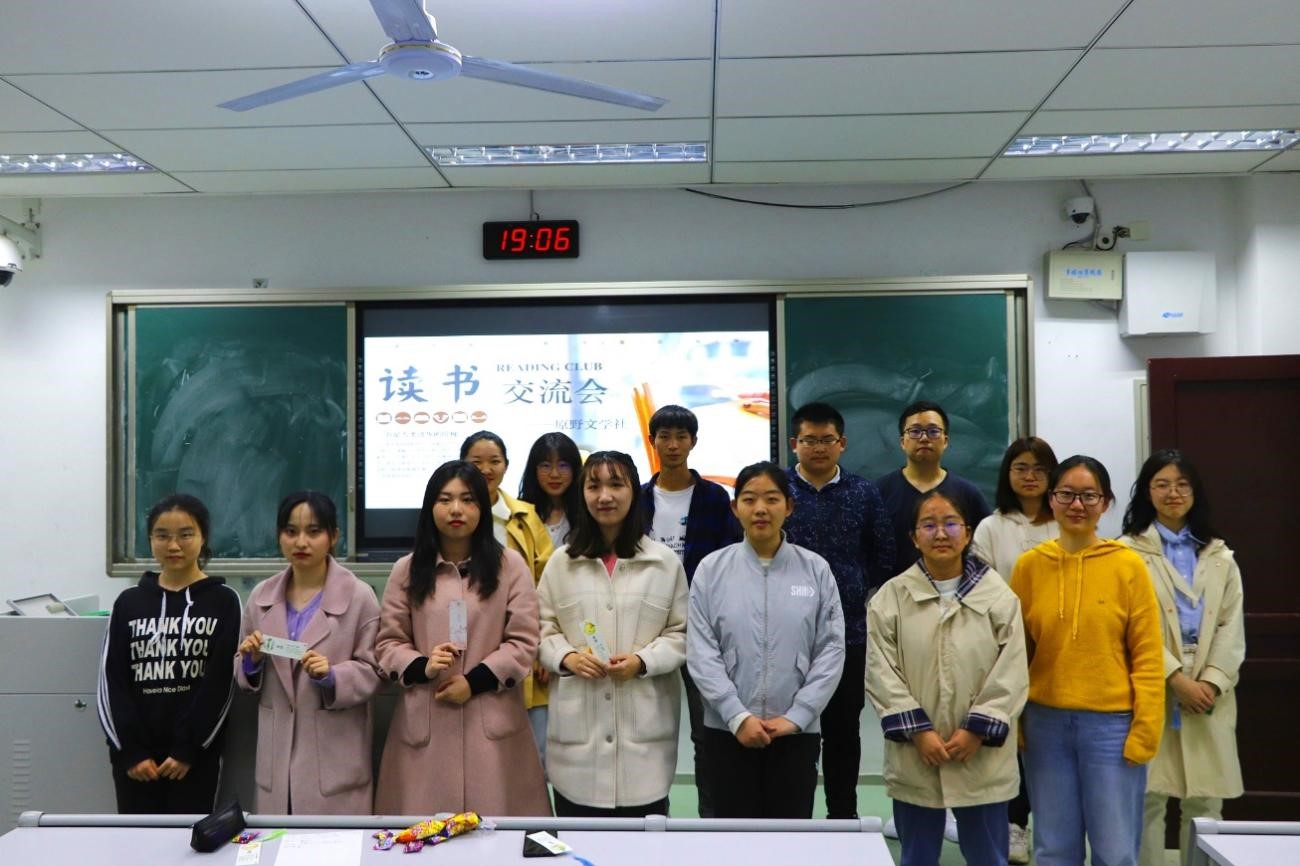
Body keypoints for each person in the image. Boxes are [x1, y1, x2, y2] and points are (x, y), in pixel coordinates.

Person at [1009, 455, 1165, 866]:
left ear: (1105, 503)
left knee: (1115, 850)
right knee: (1053, 848)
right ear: (1052, 500)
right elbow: (1016, 653)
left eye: (1089, 496)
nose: (1077, 505)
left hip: (1111, 727)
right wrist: (1016, 721)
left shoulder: (1128, 566)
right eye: (1066, 494)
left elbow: (1148, 655)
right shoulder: (1029, 567)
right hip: (1045, 724)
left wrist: (1146, 727)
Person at [373, 461, 550, 816]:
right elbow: (388, 643)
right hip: (425, 723)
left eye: (468, 500)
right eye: (445, 499)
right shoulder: (407, 569)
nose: (456, 509)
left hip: (492, 724)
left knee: (498, 833)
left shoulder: (510, 566)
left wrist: (473, 682)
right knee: (422, 834)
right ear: (430, 507)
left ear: (482, 509)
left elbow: (523, 641)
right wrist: (423, 666)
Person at [867, 490, 1028, 866]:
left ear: (968, 533)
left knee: (988, 857)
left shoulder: (999, 597)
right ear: (914, 537)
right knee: (917, 857)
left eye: (951, 523)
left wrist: (976, 730)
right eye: (929, 525)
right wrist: (919, 732)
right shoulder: (891, 598)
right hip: (916, 753)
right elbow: (881, 671)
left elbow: (1012, 671)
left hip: (980, 755)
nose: (941, 533)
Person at [687, 461, 845, 818]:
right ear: (735, 508)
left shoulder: (816, 569)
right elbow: (701, 651)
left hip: (795, 731)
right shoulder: (711, 570)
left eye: (772, 499)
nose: (760, 509)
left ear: (789, 506)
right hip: (727, 729)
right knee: (732, 837)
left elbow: (831, 649)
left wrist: (799, 715)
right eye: (749, 499)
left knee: (789, 836)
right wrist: (736, 715)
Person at [537, 451, 688, 817]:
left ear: (634, 491)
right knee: (579, 842)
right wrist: (567, 658)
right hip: (578, 749)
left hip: (645, 748)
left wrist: (642, 661)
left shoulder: (664, 563)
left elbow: (681, 634)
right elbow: (541, 628)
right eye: (594, 486)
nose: (604, 496)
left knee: (645, 840)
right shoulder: (562, 563)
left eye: (616, 485)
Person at [1121, 450, 1245, 866]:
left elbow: (1231, 626)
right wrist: (1174, 677)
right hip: (1154, 683)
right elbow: (1128, 625)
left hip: (1209, 687)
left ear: (1195, 492)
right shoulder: (1128, 553)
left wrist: (1210, 681)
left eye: (1181, 484)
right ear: (1147, 492)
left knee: (1206, 798)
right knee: (1148, 795)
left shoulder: (1220, 556)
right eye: (1162, 484)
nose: (1172, 493)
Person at [236, 491, 383, 814]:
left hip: (334, 759)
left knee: (335, 842)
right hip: (276, 760)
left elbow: (375, 671)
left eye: (314, 532)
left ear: (334, 536)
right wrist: (250, 662)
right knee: (277, 840)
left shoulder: (359, 597)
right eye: (291, 531)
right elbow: (241, 665)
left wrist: (333, 675)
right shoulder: (261, 597)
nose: (301, 542)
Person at [782, 401, 895, 819]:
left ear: (842, 443)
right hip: (786, 634)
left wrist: (853, 587)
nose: (818, 448)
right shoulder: (778, 491)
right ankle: (792, 818)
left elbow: (884, 554)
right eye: (809, 440)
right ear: (794, 443)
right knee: (793, 729)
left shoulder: (863, 493)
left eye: (826, 440)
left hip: (849, 633)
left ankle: (842, 817)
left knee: (843, 729)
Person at [97, 493, 242, 814]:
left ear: (203, 537)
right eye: (162, 535)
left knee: (190, 840)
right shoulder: (128, 603)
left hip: (194, 758)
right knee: (136, 841)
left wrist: (189, 749)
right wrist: (131, 752)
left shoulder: (224, 601)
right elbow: (111, 683)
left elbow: (221, 684)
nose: (173, 545)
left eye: (186, 534)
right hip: (136, 762)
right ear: (150, 540)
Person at [641, 405, 742, 817]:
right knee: (648, 730)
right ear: (652, 442)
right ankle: (652, 816)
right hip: (648, 628)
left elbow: (730, 560)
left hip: (703, 628)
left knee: (708, 732)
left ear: (693, 442)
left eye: (681, 436)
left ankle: (710, 821)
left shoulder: (715, 498)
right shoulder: (638, 499)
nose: (673, 445)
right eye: (665, 436)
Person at [970, 436, 1060, 864]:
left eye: (1040, 469)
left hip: (1059, 649)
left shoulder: (1064, 521)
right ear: (1007, 474)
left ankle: (1055, 829)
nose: (1030, 477)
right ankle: (1014, 823)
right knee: (1010, 737)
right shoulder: (991, 527)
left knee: (1050, 738)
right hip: (1004, 646)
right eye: (1021, 468)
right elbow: (983, 588)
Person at [461, 430, 555, 763]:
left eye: (495, 461)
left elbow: (545, 586)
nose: (486, 469)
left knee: (530, 756)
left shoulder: (525, 517)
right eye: (477, 462)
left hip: (521, 643)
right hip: (467, 643)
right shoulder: (449, 515)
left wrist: (541, 651)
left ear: (506, 465)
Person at [877, 400, 992, 581]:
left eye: (933, 431)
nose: (924, 438)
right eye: (915, 431)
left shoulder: (968, 494)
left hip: (956, 593)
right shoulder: (879, 492)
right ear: (902, 441)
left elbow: (985, 550)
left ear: (945, 441)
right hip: (895, 594)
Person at [518, 431, 585, 550]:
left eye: (563, 465)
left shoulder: (586, 513)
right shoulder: (519, 513)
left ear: (574, 469)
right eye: (546, 465)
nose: (554, 474)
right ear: (534, 470)